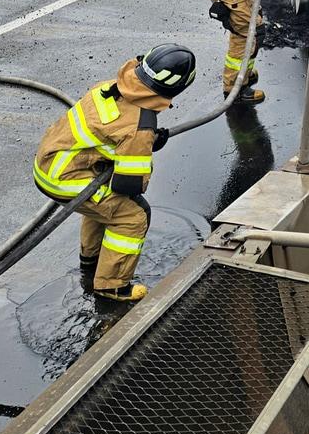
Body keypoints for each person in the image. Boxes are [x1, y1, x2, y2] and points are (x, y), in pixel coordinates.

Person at [33, 44, 196, 303]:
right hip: (66, 181)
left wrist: (147, 139)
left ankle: (92, 260)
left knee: (104, 203)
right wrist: (143, 145)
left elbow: (108, 131)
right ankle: (111, 285)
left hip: (52, 163)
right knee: (132, 215)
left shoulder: (111, 87)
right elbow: (129, 184)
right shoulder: (139, 129)